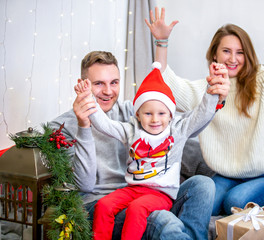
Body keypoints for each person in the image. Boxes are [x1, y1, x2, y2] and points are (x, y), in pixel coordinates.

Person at [146, 6, 264, 215]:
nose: (233, 58)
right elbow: (164, 86)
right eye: (226, 51)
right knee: (202, 206)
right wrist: (162, 43)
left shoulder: (263, 81)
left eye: (240, 52)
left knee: (234, 201)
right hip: (226, 176)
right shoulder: (207, 90)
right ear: (214, 54)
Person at [49, 50, 229, 239]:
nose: (108, 91)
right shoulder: (61, 127)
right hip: (101, 203)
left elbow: (186, 124)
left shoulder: (133, 110)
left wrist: (214, 98)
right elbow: (84, 185)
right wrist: (84, 125)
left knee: (203, 185)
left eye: (114, 82)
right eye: (98, 84)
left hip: (152, 193)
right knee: (160, 219)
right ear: (83, 84)